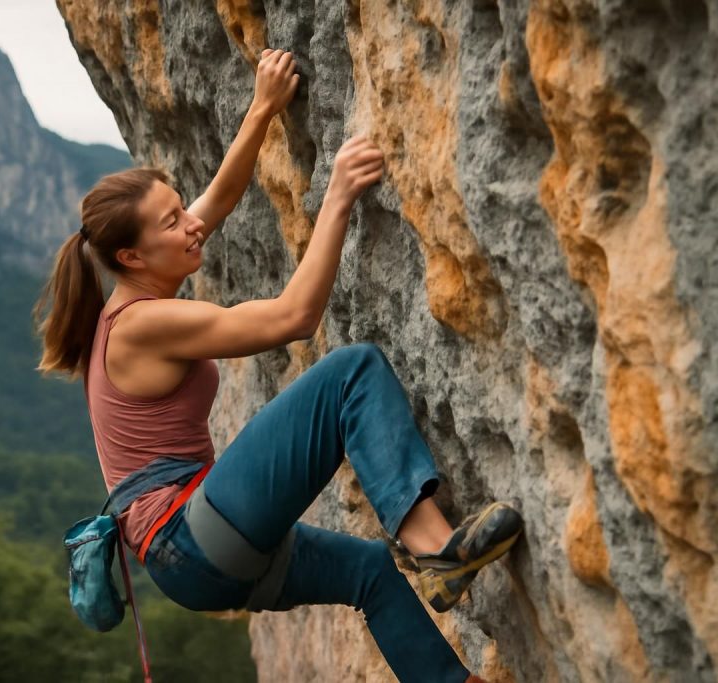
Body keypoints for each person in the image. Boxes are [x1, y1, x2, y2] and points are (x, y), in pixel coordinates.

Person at [33, 48, 519, 683]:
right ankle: (436, 550)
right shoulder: (142, 324)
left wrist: (262, 108)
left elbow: (219, 200)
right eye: (171, 222)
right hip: (191, 534)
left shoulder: (138, 289)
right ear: (131, 255)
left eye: (180, 208)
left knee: (370, 573)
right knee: (351, 373)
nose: (190, 225)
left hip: (196, 553)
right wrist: (338, 195)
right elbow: (293, 318)